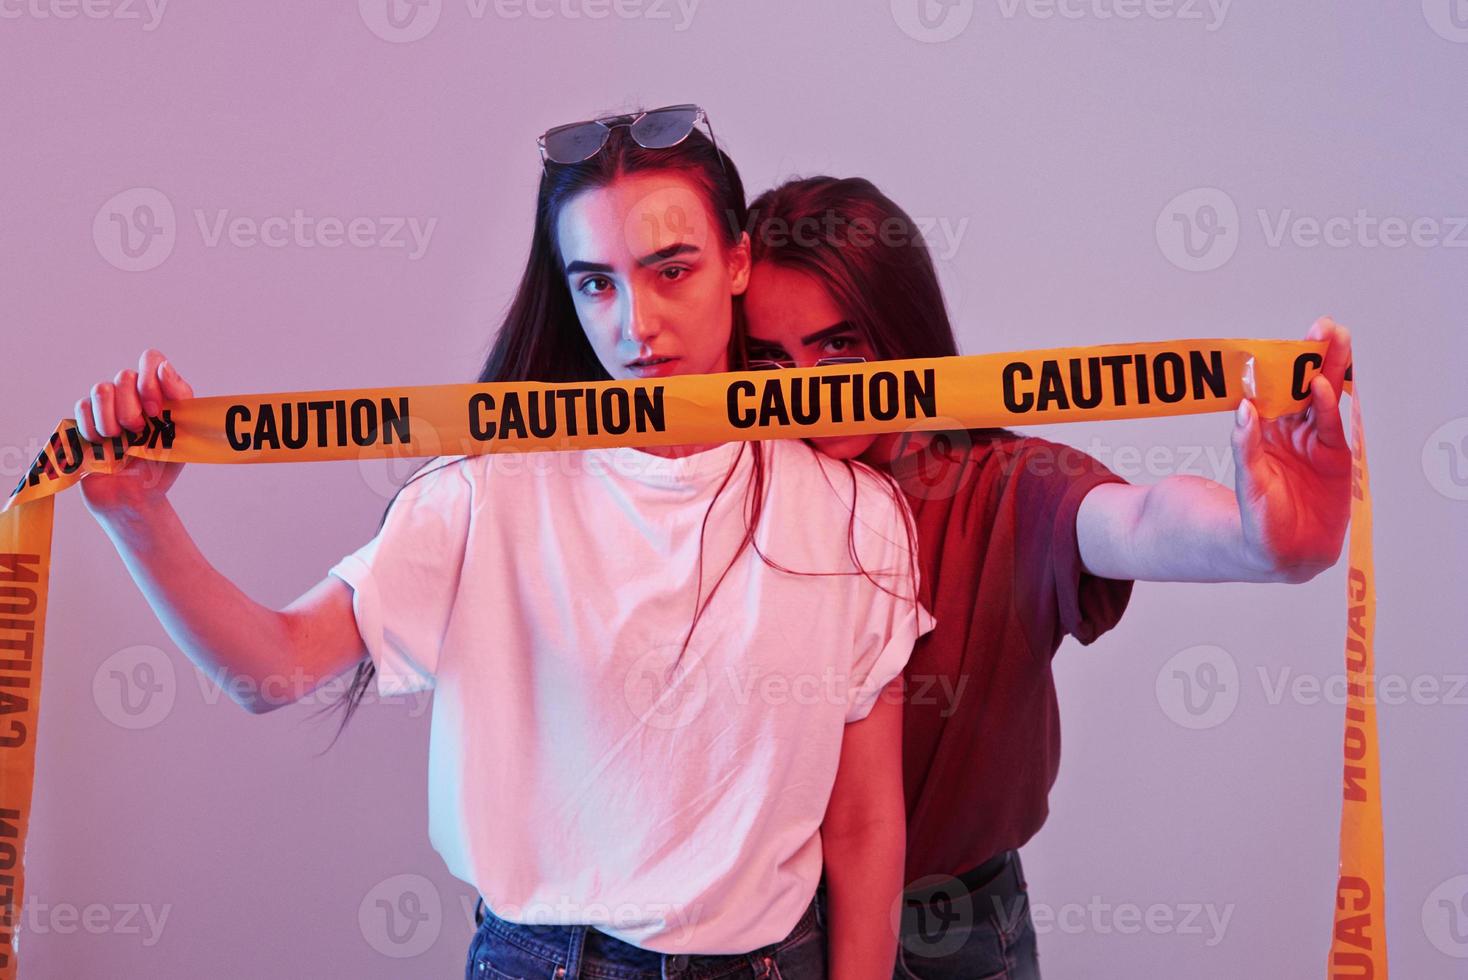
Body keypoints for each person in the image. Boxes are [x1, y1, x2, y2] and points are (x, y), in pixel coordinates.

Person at [72, 112, 935, 980]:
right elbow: (275, 666)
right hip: (539, 961)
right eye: (597, 284)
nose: (638, 324)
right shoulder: (485, 491)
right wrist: (137, 519)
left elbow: (862, 822)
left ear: (738, 262)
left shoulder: (858, 516)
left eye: (673, 271)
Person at [741, 175, 1354, 979]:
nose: (810, 392)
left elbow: (1135, 520)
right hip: (758, 931)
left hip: (952, 925)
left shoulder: (1004, 486)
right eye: (767, 362)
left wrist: (1259, 542)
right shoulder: (728, 494)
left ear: (901, 332)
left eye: (839, 347)